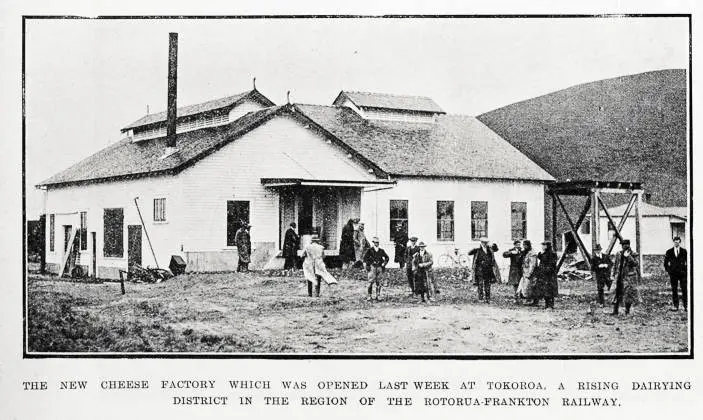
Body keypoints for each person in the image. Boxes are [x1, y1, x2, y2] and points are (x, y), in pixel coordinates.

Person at [611, 239, 641, 315]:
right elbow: (615, 265)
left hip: (629, 278)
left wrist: (628, 257)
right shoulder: (619, 253)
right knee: (616, 293)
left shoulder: (634, 254)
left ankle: (627, 311)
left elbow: (636, 264)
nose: (623, 247)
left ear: (628, 245)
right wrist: (613, 274)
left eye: (624, 245)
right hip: (619, 276)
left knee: (628, 294)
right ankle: (615, 311)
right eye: (622, 245)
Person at [468, 237, 499, 303]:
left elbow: (496, 249)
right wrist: (474, 249)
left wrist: (494, 245)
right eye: (484, 243)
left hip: (488, 269)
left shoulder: (489, 249)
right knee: (480, 284)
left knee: (488, 284)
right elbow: (469, 253)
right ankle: (481, 298)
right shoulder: (478, 249)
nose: (485, 244)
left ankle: (488, 298)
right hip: (480, 269)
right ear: (481, 243)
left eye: (486, 243)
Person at [531, 241, 559, 309]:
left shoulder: (552, 253)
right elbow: (542, 260)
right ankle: (547, 305)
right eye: (542, 245)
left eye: (544, 245)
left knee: (549, 290)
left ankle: (550, 305)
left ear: (547, 246)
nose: (542, 247)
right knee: (544, 290)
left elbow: (552, 264)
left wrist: (546, 270)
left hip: (549, 275)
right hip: (543, 274)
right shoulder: (544, 253)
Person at [664, 236, 687, 312]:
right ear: (673, 242)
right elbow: (665, 263)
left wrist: (685, 270)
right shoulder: (669, 252)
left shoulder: (684, 251)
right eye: (675, 242)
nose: (676, 243)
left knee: (684, 289)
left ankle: (686, 306)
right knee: (674, 289)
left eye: (677, 242)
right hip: (673, 274)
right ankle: (675, 306)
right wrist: (669, 271)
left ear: (680, 242)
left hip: (682, 274)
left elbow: (688, 261)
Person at [364, 237, 390, 301]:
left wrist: (384, 264)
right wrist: (368, 264)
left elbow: (387, 257)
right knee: (370, 282)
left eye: (377, 242)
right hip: (372, 267)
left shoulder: (381, 250)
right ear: (373, 243)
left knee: (379, 282)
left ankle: (378, 295)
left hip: (379, 267)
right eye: (375, 242)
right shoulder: (370, 250)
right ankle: (369, 295)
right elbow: (365, 258)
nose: (376, 244)